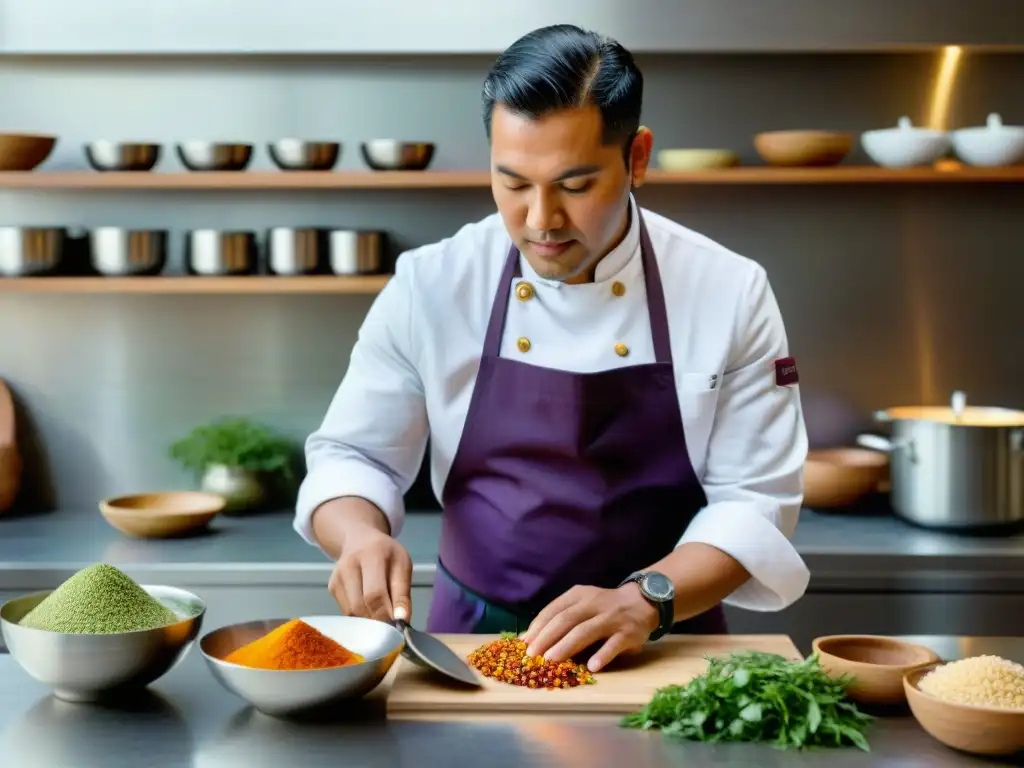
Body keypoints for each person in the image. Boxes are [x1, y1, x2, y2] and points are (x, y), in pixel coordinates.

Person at [294, 24, 810, 674]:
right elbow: (353, 453)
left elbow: (756, 501)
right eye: (513, 183)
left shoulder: (727, 291)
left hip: (664, 645)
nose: (540, 220)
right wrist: (360, 534)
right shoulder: (433, 283)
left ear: (638, 157)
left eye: (573, 185)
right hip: (472, 648)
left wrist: (647, 598)